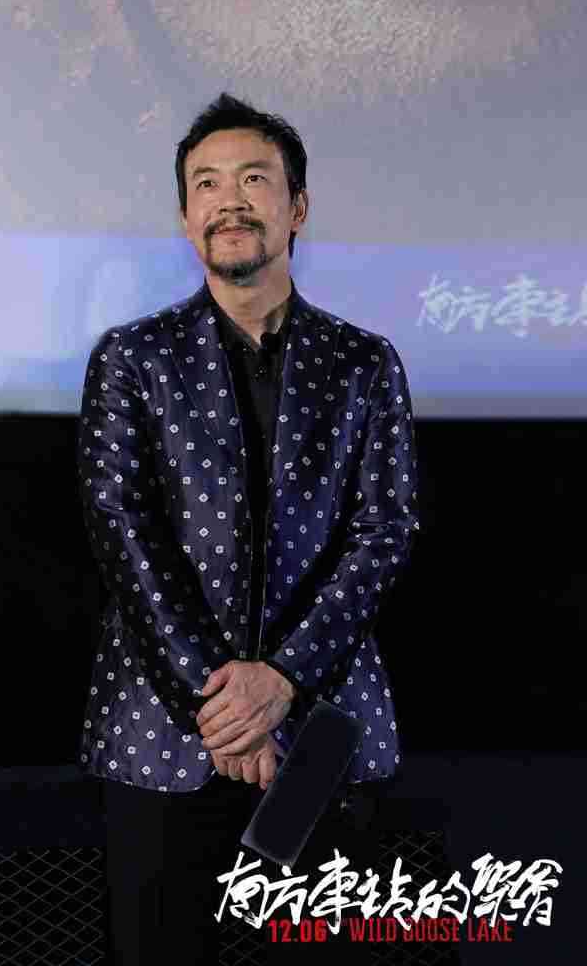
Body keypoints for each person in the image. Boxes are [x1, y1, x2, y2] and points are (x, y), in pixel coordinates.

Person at [77, 92, 420, 964]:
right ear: (185, 218)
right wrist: (226, 708)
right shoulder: (132, 358)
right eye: (206, 183)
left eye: (254, 179)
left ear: (296, 207)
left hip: (321, 728)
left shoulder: (363, 361)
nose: (229, 200)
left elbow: (384, 531)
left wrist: (283, 682)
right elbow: (122, 530)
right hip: (166, 731)